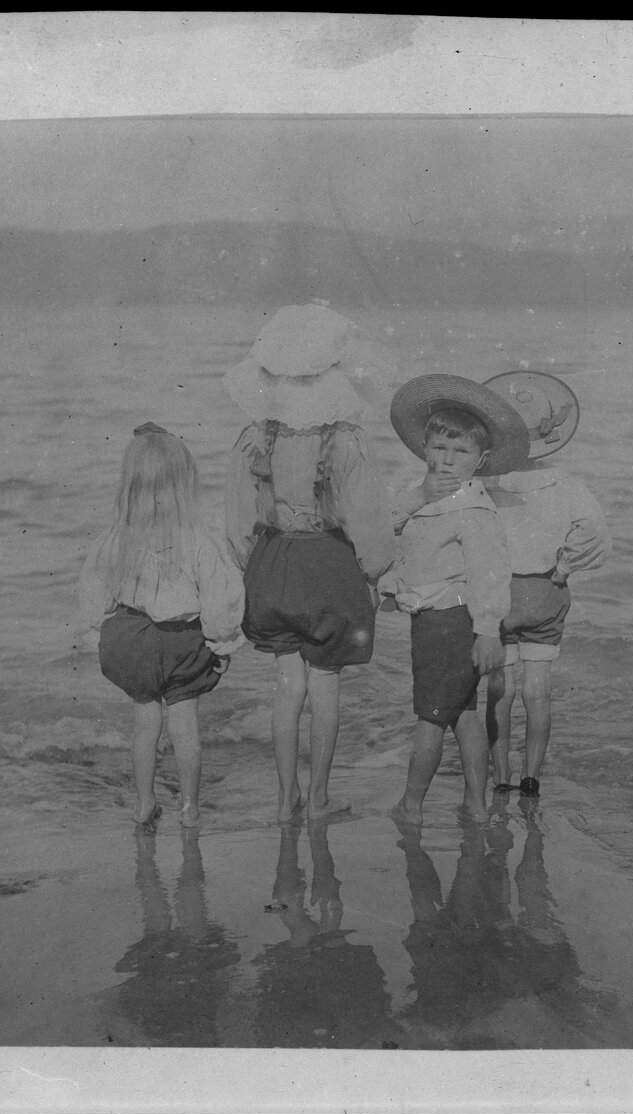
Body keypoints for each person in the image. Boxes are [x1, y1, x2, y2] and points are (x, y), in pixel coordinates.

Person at [223, 304, 397, 820]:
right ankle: (318, 797)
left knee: (287, 686)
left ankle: (284, 799)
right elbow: (368, 524)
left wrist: (251, 569)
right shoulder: (345, 441)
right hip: (328, 566)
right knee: (325, 686)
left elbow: (237, 523)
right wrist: (374, 573)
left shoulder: (256, 438)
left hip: (273, 563)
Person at [80, 422, 245, 827]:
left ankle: (143, 802)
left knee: (144, 723)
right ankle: (189, 808)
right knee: (185, 728)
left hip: (130, 641)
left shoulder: (116, 536)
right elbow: (221, 599)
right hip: (179, 643)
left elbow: (92, 591)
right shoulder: (197, 537)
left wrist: (95, 630)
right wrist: (222, 645)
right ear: (184, 482)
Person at [380, 374, 529, 819]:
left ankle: (411, 805)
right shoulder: (424, 495)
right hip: (435, 621)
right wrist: (417, 496)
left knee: (430, 718)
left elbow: (490, 575)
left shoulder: (474, 509)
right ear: (423, 448)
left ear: (480, 460)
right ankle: (477, 803)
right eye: (439, 448)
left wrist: (487, 632)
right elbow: (383, 528)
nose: (447, 460)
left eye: (460, 452)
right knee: (463, 713)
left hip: (453, 623)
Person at [480, 371, 609, 797]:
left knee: (500, 688)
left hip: (498, 594)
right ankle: (532, 778)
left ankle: (499, 778)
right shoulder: (565, 484)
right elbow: (594, 533)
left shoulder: (486, 482)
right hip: (545, 593)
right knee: (538, 691)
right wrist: (564, 570)